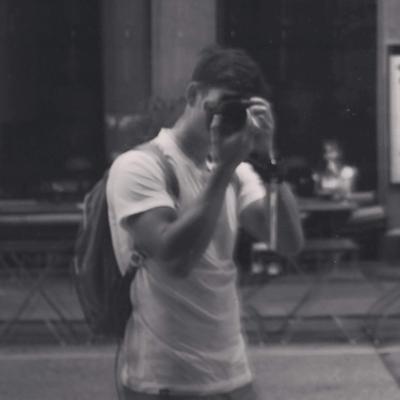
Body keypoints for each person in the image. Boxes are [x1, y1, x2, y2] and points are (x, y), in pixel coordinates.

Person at [106, 46, 304, 400]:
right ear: (193, 94)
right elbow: (176, 260)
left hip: (232, 374)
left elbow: (287, 242)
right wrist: (225, 168)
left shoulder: (237, 171)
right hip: (163, 380)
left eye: (239, 110)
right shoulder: (139, 166)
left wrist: (270, 158)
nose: (223, 119)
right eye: (222, 105)